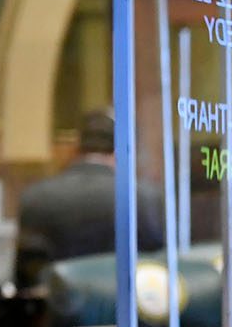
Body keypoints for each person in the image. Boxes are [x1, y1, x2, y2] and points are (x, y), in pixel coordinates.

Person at [14, 108, 166, 287]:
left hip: (62, 309)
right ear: (122, 151)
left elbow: (27, 275)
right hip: (120, 308)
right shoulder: (145, 199)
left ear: (77, 148)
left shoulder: (35, 197)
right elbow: (158, 271)